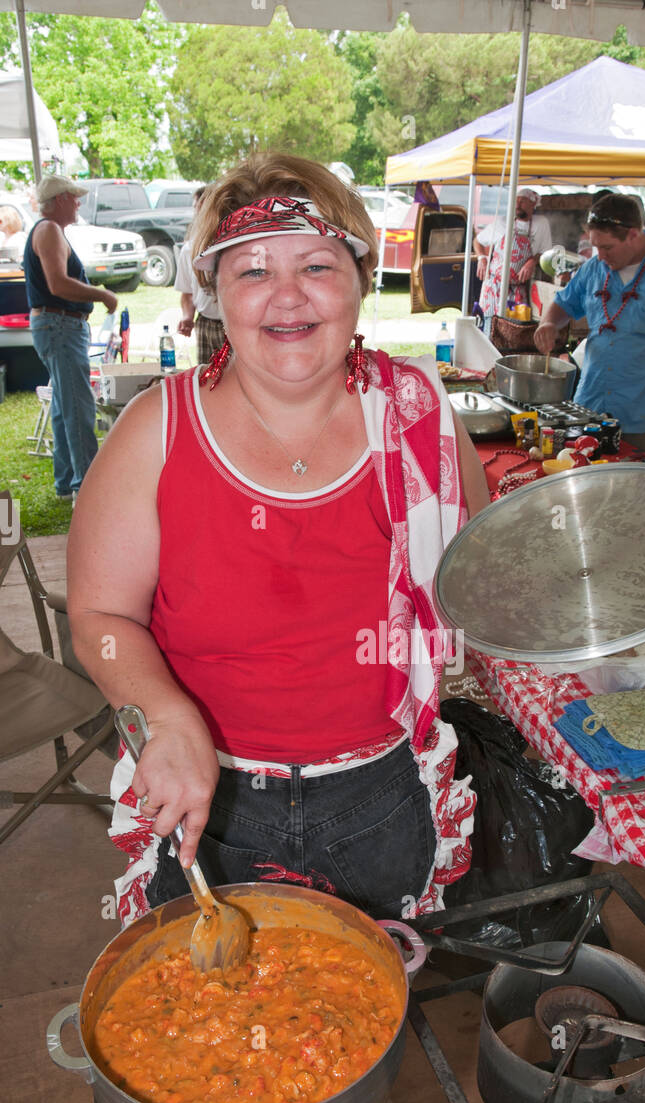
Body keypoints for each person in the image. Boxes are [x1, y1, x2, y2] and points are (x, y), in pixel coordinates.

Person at [67, 152, 489, 937]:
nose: (287, 295)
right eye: (253, 270)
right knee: (200, 1005)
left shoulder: (418, 417)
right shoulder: (155, 430)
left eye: (317, 266)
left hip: (380, 789)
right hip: (209, 794)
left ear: (360, 281)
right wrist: (165, 718)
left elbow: (479, 584)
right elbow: (100, 616)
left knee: (363, 996)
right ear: (213, 293)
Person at [533, 192, 645, 458]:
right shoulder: (593, 268)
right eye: (595, 247)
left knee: (640, 482)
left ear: (633, 234)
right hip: (590, 405)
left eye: (607, 248)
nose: (600, 256)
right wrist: (548, 323)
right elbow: (563, 303)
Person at [23, 174, 117, 500]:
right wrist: (102, 294)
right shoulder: (49, 230)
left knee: (65, 405)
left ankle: (66, 482)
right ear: (60, 199)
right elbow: (58, 284)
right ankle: (87, 488)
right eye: (74, 197)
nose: (78, 203)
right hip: (60, 325)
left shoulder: (49, 230)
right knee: (78, 406)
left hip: (57, 326)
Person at [473, 187, 541, 328]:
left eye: (522, 201)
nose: (518, 205)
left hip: (518, 289)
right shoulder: (502, 223)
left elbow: (544, 251)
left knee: (514, 329)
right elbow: (477, 241)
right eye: (516, 201)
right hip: (494, 286)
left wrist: (532, 261)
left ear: (533, 204)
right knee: (489, 325)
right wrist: (482, 258)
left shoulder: (539, 225)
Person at [174, 184, 225, 364]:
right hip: (205, 324)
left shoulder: (231, 246)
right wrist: (188, 317)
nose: (199, 213)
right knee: (206, 376)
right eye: (197, 207)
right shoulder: (189, 249)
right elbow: (187, 293)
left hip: (231, 324)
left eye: (204, 207)